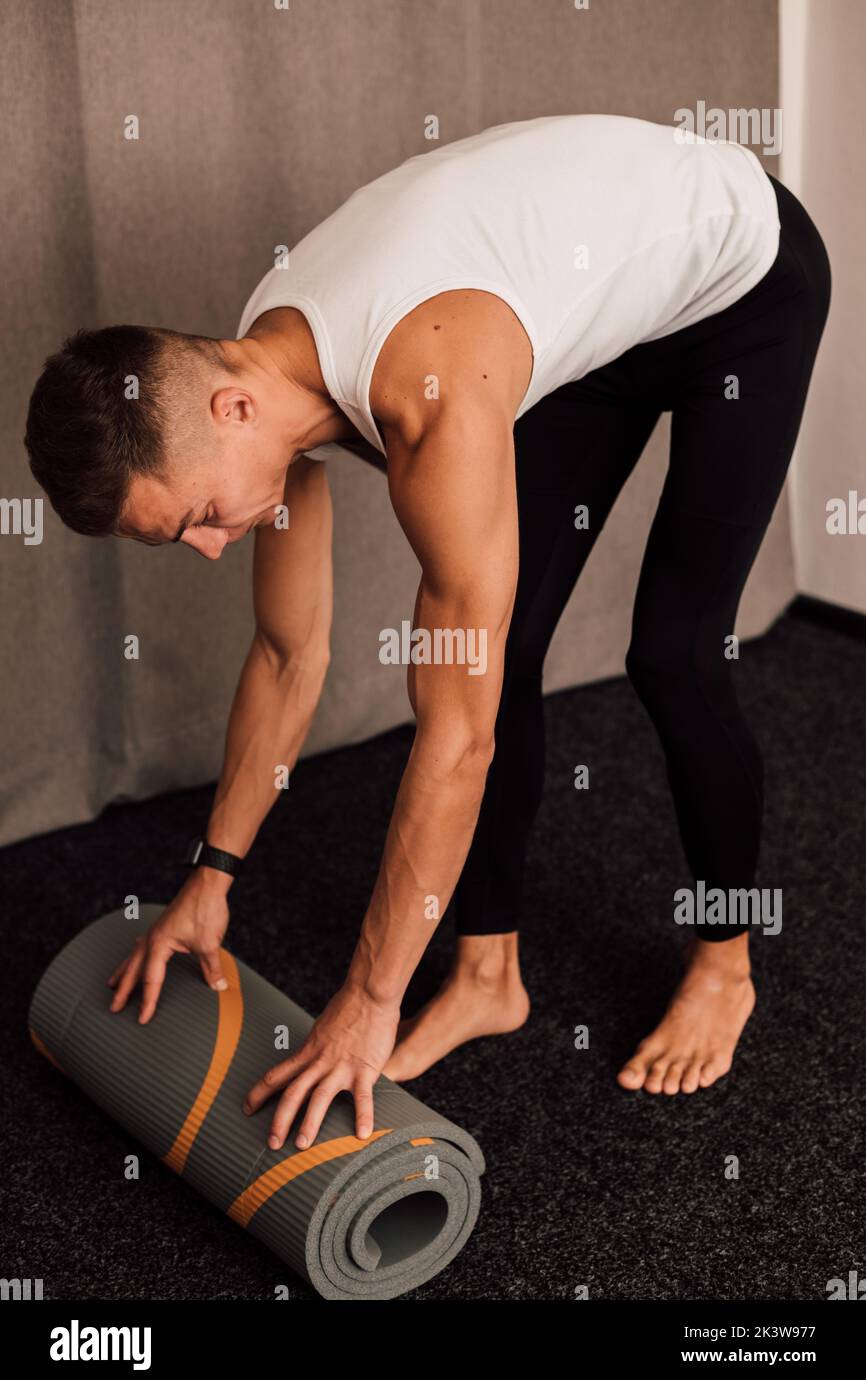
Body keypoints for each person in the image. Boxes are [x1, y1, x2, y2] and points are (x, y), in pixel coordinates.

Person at [25, 114, 831, 1149]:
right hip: (595, 316)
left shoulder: (431, 395)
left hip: (740, 283)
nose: (213, 547)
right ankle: (489, 970)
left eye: (194, 519)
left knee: (672, 652)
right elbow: (287, 651)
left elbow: (457, 737)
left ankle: (725, 961)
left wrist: (367, 999)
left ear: (226, 408)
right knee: (512, 642)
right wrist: (210, 876)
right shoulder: (264, 366)